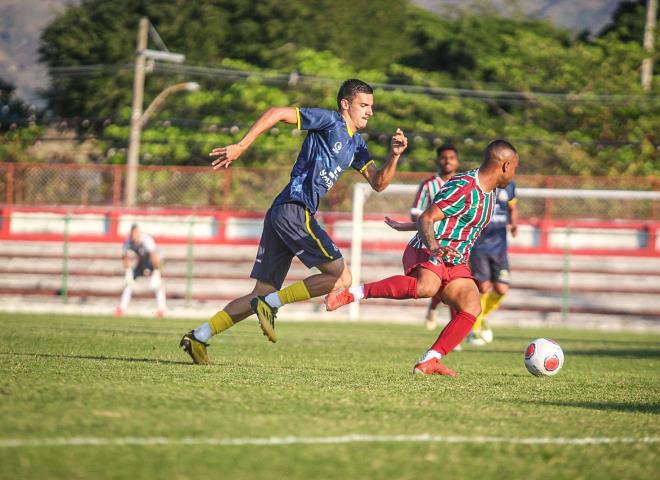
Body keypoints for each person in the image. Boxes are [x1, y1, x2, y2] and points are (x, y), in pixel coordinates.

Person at [180, 79, 408, 364]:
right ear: (345, 104)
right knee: (341, 277)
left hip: (283, 212)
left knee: (260, 292)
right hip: (294, 209)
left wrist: (395, 156)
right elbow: (276, 112)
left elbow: (378, 183)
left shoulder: (357, 145)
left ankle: (199, 336)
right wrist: (241, 146)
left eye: (372, 107)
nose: (370, 112)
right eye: (364, 105)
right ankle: (271, 304)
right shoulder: (329, 121)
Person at [325, 140, 519, 376]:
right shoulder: (465, 185)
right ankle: (351, 294)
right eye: (516, 168)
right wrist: (435, 247)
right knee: (427, 286)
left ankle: (431, 360)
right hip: (428, 249)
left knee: (471, 304)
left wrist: (408, 225)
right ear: (506, 165)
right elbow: (427, 218)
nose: (515, 173)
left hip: (454, 260)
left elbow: (445, 217)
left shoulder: (491, 195)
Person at [409, 145, 460, 331]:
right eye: (444, 157)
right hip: (434, 243)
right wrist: (428, 227)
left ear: (457, 161)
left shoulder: (463, 184)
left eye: (452, 157)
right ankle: (433, 306)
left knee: (456, 284)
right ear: (438, 160)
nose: (448, 161)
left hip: (456, 241)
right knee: (438, 284)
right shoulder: (428, 185)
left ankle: (449, 325)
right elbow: (415, 213)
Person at [466, 180, 518, 346]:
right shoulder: (479, 184)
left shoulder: (510, 186)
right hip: (479, 247)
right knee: (483, 288)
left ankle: (481, 317)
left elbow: (512, 207)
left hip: (500, 249)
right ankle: (474, 330)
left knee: (502, 289)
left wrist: (514, 224)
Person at [115, 224, 167, 318]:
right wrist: (128, 272)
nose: (135, 236)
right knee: (129, 283)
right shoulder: (128, 242)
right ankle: (122, 308)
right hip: (142, 261)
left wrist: (156, 273)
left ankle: (161, 310)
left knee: (158, 286)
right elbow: (125, 258)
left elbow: (154, 256)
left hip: (155, 261)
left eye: (136, 234)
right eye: (133, 234)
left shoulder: (147, 240)